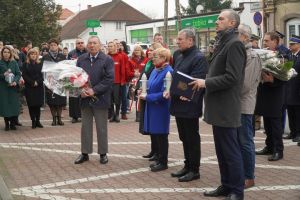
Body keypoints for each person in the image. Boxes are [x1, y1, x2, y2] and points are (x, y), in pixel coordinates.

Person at [190, 9, 246, 200]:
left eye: (220, 19)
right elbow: (217, 71)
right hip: (217, 107)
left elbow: (233, 77)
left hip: (227, 107)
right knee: (221, 152)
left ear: (232, 23)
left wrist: (206, 83)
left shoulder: (235, 44)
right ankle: (226, 185)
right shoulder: (223, 42)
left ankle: (237, 191)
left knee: (231, 152)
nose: (216, 22)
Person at [169, 28, 208, 182]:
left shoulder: (199, 57)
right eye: (177, 39)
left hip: (190, 104)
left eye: (180, 39)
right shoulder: (179, 55)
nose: (177, 42)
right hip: (179, 102)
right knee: (183, 136)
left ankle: (194, 169)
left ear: (190, 41)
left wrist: (184, 92)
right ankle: (187, 165)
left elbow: (197, 80)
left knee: (192, 137)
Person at [74, 36, 114, 165]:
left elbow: (109, 79)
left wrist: (94, 90)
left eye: (94, 43)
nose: (92, 45)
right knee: (85, 127)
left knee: (101, 127)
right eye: (90, 43)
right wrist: (81, 91)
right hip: (85, 99)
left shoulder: (107, 59)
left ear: (99, 45)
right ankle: (85, 153)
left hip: (100, 99)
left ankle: (103, 153)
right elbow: (76, 77)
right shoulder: (81, 59)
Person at [140, 47, 173, 172]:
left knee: (161, 135)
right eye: (153, 56)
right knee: (156, 134)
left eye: (156, 56)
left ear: (164, 58)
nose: (153, 58)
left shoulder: (168, 71)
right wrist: (143, 90)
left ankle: (163, 162)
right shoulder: (155, 70)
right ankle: (159, 158)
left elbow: (165, 94)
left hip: (161, 108)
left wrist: (148, 96)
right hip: (153, 106)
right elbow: (149, 85)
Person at [237, 24, 262, 189]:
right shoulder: (239, 53)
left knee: (245, 141)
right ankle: (240, 172)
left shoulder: (252, 56)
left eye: (237, 34)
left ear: (246, 37)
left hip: (244, 105)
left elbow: (244, 85)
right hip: (234, 105)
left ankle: (249, 176)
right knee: (237, 142)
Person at [255, 31, 286, 161]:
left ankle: (278, 150)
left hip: (276, 93)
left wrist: (272, 80)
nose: (265, 43)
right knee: (267, 122)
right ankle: (269, 146)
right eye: (264, 41)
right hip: (265, 92)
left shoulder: (283, 55)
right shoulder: (264, 53)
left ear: (275, 41)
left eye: (267, 41)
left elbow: (285, 75)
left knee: (275, 123)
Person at [137, 42, 163, 160]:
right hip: (145, 96)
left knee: (155, 127)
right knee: (149, 126)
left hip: (151, 97)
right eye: (149, 49)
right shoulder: (149, 63)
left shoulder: (158, 66)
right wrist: (138, 88)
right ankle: (154, 150)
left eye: (152, 50)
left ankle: (158, 151)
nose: (149, 51)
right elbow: (143, 77)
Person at [42, 38, 66, 126]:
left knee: (60, 102)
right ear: (49, 46)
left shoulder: (62, 56)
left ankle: (59, 119)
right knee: (52, 102)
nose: (53, 46)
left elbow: (65, 68)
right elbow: (43, 70)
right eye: (51, 45)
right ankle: (54, 119)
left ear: (57, 46)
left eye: (54, 45)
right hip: (50, 82)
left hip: (60, 82)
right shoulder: (45, 57)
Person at [22, 48, 44, 129]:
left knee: (38, 105)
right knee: (31, 105)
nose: (33, 55)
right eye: (32, 54)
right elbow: (24, 75)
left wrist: (37, 82)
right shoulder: (25, 64)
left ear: (37, 55)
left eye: (35, 54)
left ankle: (38, 121)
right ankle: (33, 121)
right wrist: (32, 82)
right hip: (29, 87)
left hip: (39, 86)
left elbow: (43, 75)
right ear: (29, 55)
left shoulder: (40, 64)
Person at [0, 46, 21, 131]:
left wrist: (15, 81)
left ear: (10, 53)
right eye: (4, 52)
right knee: (5, 105)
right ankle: (6, 124)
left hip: (13, 87)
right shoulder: (0, 63)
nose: (6, 54)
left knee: (13, 105)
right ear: (2, 53)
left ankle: (13, 123)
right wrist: (3, 75)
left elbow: (18, 74)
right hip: (3, 87)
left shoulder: (14, 63)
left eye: (8, 52)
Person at [67, 38, 87, 123]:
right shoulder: (71, 53)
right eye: (78, 43)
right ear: (76, 44)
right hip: (74, 77)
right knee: (73, 98)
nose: (80, 44)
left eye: (82, 43)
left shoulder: (88, 53)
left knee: (84, 97)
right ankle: (74, 116)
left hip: (85, 78)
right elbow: (67, 65)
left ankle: (84, 115)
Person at [285, 35, 300, 142]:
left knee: (298, 113)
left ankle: (298, 134)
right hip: (289, 88)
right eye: (290, 44)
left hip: (298, 89)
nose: (290, 46)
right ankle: (293, 132)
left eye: (292, 44)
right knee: (290, 112)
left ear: (298, 45)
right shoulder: (289, 55)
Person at [127, 45, 148, 122]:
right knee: (136, 97)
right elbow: (128, 72)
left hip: (143, 80)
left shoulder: (146, 60)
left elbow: (147, 70)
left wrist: (141, 74)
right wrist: (134, 74)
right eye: (135, 50)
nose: (137, 52)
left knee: (143, 97)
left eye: (138, 50)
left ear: (141, 51)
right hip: (134, 81)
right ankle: (138, 115)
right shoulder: (130, 60)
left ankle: (143, 115)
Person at [107, 41, 126, 123]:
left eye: (111, 46)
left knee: (117, 99)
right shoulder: (106, 57)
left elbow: (122, 70)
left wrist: (122, 81)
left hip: (117, 82)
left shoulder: (120, 56)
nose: (110, 47)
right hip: (108, 82)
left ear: (115, 47)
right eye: (109, 46)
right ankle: (112, 115)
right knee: (110, 99)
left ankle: (117, 114)